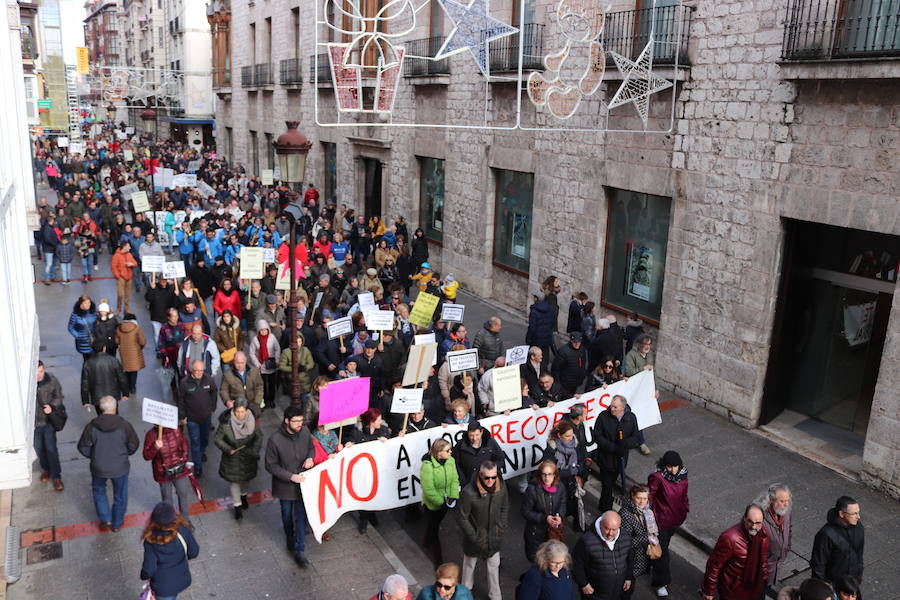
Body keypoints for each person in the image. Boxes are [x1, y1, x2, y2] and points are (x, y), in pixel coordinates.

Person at [77, 395, 140, 531]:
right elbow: (134, 443)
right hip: (120, 467)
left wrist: (94, 456)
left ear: (100, 408)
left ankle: (105, 519)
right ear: (115, 407)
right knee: (120, 495)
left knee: (99, 491)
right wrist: (125, 454)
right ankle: (117, 523)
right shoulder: (124, 425)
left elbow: (82, 446)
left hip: (98, 467)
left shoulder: (92, 426)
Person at [265, 404, 316, 567]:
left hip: (303, 485)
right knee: (287, 516)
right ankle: (289, 536)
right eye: (295, 421)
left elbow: (311, 447)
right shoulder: (275, 440)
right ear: (286, 421)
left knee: (300, 517)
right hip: (285, 487)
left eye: (301, 421)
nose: (299, 424)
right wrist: (290, 476)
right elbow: (270, 465)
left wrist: (310, 458)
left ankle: (300, 550)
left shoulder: (305, 432)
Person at [458, 461, 508, 600]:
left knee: (494, 568)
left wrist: (501, 526)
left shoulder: (501, 487)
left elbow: (504, 507)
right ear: (480, 475)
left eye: (494, 477)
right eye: (487, 477)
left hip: (494, 535)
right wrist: (473, 536)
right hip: (475, 537)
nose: (491, 481)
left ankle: (496, 596)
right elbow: (462, 517)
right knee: (469, 566)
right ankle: (464, 594)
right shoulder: (468, 492)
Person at [702, 504, 770, 600]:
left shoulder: (763, 535)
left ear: (763, 522)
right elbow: (714, 565)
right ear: (745, 518)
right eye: (750, 522)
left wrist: (765, 577)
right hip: (732, 593)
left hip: (755, 590)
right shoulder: (730, 538)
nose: (754, 527)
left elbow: (763, 559)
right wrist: (709, 591)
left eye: (758, 523)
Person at [647, 451, 689, 597]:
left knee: (662, 547)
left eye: (675, 466)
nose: (672, 470)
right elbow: (650, 496)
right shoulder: (658, 477)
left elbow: (684, 496)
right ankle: (660, 582)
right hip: (661, 520)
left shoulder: (683, 476)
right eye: (669, 467)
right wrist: (649, 517)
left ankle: (648, 560)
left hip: (675, 519)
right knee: (663, 553)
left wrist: (685, 509)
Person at [139, 501, 200, 600]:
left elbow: (149, 568)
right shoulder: (183, 530)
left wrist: (143, 575)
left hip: (163, 587)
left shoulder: (151, 540)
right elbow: (194, 552)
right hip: (182, 579)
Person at [215, 397, 263, 520]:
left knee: (246, 479)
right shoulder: (226, 423)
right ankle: (237, 506)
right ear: (233, 410)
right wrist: (227, 449)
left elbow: (259, 437)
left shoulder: (252, 420)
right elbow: (217, 439)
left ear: (247, 411)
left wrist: (254, 450)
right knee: (234, 481)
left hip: (248, 456)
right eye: (237, 412)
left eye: (242, 412)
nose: (240, 415)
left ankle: (243, 496)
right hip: (232, 457)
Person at [573, 511, 634, 600]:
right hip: (594, 593)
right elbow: (576, 563)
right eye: (607, 528)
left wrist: (628, 577)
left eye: (614, 529)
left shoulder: (625, 537)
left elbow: (630, 559)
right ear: (601, 524)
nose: (610, 533)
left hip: (617, 591)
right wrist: (583, 584)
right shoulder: (586, 541)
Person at [593, 395, 640, 511]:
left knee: (611, 484)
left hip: (620, 460)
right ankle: (606, 510)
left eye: (615, 407)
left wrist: (625, 443)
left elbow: (636, 437)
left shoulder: (631, 418)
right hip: (606, 460)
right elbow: (597, 436)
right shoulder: (603, 416)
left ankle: (604, 507)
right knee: (607, 486)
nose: (612, 409)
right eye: (611, 406)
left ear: (623, 408)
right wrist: (612, 447)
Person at [420, 438, 461, 565]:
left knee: (435, 525)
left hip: (447, 502)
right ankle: (438, 561)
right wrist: (440, 502)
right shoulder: (427, 466)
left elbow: (455, 479)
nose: (450, 452)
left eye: (450, 449)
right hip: (433, 505)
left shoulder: (451, 461)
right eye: (447, 450)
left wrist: (453, 496)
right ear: (439, 453)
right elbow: (428, 489)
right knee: (435, 529)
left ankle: (426, 540)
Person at [142, 423, 193, 523]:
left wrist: (183, 459)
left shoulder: (176, 430)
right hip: (162, 473)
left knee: (182, 493)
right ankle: (170, 522)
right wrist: (155, 447)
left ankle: (185, 520)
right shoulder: (151, 434)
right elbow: (146, 456)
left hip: (179, 470)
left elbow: (184, 445)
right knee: (167, 498)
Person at [810, 496, 864, 587]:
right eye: (854, 513)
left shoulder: (858, 527)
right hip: (834, 584)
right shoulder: (825, 534)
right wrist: (824, 587)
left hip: (852, 582)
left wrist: (859, 574)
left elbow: (859, 554)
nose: (858, 517)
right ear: (842, 514)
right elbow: (818, 564)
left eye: (858, 512)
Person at [618, 485, 661, 598]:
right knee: (625, 590)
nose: (642, 501)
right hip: (629, 560)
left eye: (645, 498)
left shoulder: (646, 511)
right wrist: (646, 538)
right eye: (639, 498)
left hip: (640, 557)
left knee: (630, 587)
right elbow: (624, 543)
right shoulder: (625, 515)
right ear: (632, 496)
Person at [176, 360, 218, 478]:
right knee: (195, 441)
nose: (199, 373)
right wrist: (182, 416)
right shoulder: (184, 383)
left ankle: (202, 451)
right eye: (196, 370)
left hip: (206, 417)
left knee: (205, 438)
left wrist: (212, 407)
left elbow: (214, 392)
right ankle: (198, 466)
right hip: (192, 419)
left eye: (201, 370)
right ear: (191, 370)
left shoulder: (209, 380)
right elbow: (180, 400)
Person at [522, 461, 567, 563]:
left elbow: (563, 504)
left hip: (552, 532)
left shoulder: (560, 488)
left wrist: (559, 516)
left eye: (550, 474)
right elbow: (525, 511)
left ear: (555, 475)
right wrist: (544, 518)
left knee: (551, 560)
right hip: (536, 532)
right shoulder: (532, 490)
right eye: (544, 474)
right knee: (537, 560)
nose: (547, 478)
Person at [35, 361, 66, 491]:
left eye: (41, 371)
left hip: (48, 421)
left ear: (44, 369)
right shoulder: (27, 383)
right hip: (35, 424)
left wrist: (51, 406)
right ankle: (46, 469)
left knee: (51, 449)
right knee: (39, 449)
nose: (39, 375)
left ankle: (57, 477)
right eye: (36, 373)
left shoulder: (51, 380)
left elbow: (59, 396)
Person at [759, 483, 793, 596]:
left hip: (774, 569)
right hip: (759, 571)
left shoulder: (786, 512)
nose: (786, 504)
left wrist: (787, 547)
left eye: (787, 500)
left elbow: (790, 529)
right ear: (771, 500)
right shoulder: (759, 517)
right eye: (782, 501)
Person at [453, 420, 507, 487]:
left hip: (488, 483)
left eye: (477, 435)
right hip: (469, 484)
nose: (474, 438)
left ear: (481, 432)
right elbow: (454, 463)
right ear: (467, 433)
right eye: (471, 435)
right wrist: (463, 480)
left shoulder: (490, 442)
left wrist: (491, 472)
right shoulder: (460, 445)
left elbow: (500, 459)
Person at [81, 340, 129, 409]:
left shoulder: (88, 363)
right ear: (104, 348)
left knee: (101, 417)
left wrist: (85, 400)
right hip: (112, 395)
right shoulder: (113, 360)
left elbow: (85, 384)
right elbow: (122, 378)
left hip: (97, 397)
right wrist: (125, 393)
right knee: (113, 415)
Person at [220, 351, 264, 417]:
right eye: (237, 363)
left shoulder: (254, 371)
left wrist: (257, 401)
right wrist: (227, 401)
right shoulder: (227, 374)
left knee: (254, 425)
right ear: (233, 362)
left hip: (254, 406)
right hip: (237, 408)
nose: (240, 365)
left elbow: (260, 386)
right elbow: (223, 390)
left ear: (246, 361)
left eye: (242, 363)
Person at [249, 320, 281, 411]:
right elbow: (251, 353)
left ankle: (271, 400)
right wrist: (257, 363)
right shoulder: (255, 339)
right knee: (262, 385)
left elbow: (277, 348)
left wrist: (277, 359)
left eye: (265, 330)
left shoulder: (272, 337)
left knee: (272, 384)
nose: (264, 332)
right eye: (261, 330)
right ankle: (264, 401)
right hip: (261, 366)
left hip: (271, 364)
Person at [115, 312, 146, 395]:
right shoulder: (136, 328)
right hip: (135, 352)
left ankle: (126, 385)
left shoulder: (119, 328)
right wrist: (140, 348)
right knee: (134, 371)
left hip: (124, 352)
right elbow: (142, 341)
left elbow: (117, 341)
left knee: (127, 369)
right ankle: (132, 387)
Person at [68, 295, 97, 362]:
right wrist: (78, 335)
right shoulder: (75, 315)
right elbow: (70, 327)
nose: (88, 305)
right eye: (85, 303)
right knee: (86, 360)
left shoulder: (93, 313)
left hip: (94, 340)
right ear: (80, 304)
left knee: (94, 360)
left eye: (89, 303)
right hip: (82, 342)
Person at [111, 240, 138, 315]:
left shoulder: (129, 254)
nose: (129, 247)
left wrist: (131, 264)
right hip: (121, 278)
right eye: (128, 246)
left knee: (127, 295)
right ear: (124, 247)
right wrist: (118, 276)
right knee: (120, 294)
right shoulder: (116, 256)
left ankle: (126, 309)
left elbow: (135, 263)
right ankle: (118, 309)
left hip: (129, 277)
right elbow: (113, 267)